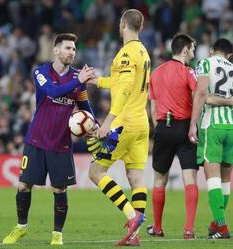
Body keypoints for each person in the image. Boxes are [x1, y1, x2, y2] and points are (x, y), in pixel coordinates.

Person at [2, 33, 95, 245]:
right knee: (24, 185)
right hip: (36, 140)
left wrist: (95, 125)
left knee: (59, 189)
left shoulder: (77, 79)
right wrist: (79, 81)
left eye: (74, 49)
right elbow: (52, 91)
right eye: (68, 48)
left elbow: (84, 108)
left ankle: (57, 235)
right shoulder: (40, 71)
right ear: (56, 50)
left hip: (61, 142)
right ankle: (21, 227)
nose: (72, 52)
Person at [147, 34, 233, 239]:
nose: (194, 54)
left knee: (159, 179)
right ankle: (188, 230)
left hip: (162, 127)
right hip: (186, 128)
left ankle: (158, 228)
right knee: (190, 179)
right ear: (185, 50)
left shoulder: (156, 73)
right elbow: (201, 96)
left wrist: (160, 128)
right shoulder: (189, 72)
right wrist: (228, 101)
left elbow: (152, 108)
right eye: (193, 50)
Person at [87, 9, 150, 246]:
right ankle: (135, 236)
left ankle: (132, 216)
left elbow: (123, 90)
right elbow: (124, 82)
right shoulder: (143, 52)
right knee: (135, 175)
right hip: (142, 123)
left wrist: (108, 122)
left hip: (125, 123)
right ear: (141, 27)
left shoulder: (125, 54)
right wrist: (99, 81)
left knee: (96, 172)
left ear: (122, 24)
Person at [188, 38, 233, 239]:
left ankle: (222, 228)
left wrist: (193, 122)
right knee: (226, 180)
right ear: (230, 54)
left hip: (212, 125)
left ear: (212, 50)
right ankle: (216, 224)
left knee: (212, 178)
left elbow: (201, 93)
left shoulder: (205, 63)